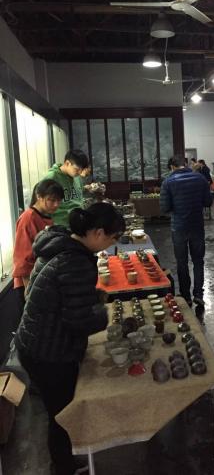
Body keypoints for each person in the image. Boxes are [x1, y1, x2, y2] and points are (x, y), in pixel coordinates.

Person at [15, 203, 125, 475]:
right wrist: (103, 313)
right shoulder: (75, 261)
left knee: (57, 410)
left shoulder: (58, 244)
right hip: (48, 350)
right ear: (98, 233)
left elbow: (58, 296)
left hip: (33, 341)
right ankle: (63, 467)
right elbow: (79, 321)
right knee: (62, 414)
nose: (112, 244)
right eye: (113, 238)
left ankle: (63, 460)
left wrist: (90, 298)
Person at [160, 155, 213, 308]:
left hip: (179, 227)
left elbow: (164, 208)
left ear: (172, 166)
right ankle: (199, 295)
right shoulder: (200, 179)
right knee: (198, 261)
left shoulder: (168, 182)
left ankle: (186, 296)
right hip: (197, 226)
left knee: (181, 262)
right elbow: (208, 202)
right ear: (186, 164)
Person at [12, 179, 64, 313]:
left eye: (59, 201)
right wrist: (28, 290)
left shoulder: (46, 216)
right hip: (29, 282)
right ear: (39, 197)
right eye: (52, 200)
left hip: (42, 279)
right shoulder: (28, 218)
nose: (56, 204)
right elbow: (22, 258)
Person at [44, 149, 89, 227]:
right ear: (67, 163)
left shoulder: (77, 177)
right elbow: (43, 205)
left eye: (81, 170)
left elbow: (79, 199)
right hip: (60, 225)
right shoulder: (52, 177)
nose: (79, 173)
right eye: (77, 169)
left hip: (78, 224)